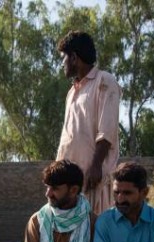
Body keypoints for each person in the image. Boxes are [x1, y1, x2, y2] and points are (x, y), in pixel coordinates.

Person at [56, 30, 121, 215]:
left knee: (94, 236)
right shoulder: (71, 93)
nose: (62, 64)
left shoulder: (105, 81)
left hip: (93, 180)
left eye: (64, 58)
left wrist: (96, 166)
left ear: (74, 57)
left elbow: (106, 128)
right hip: (68, 183)